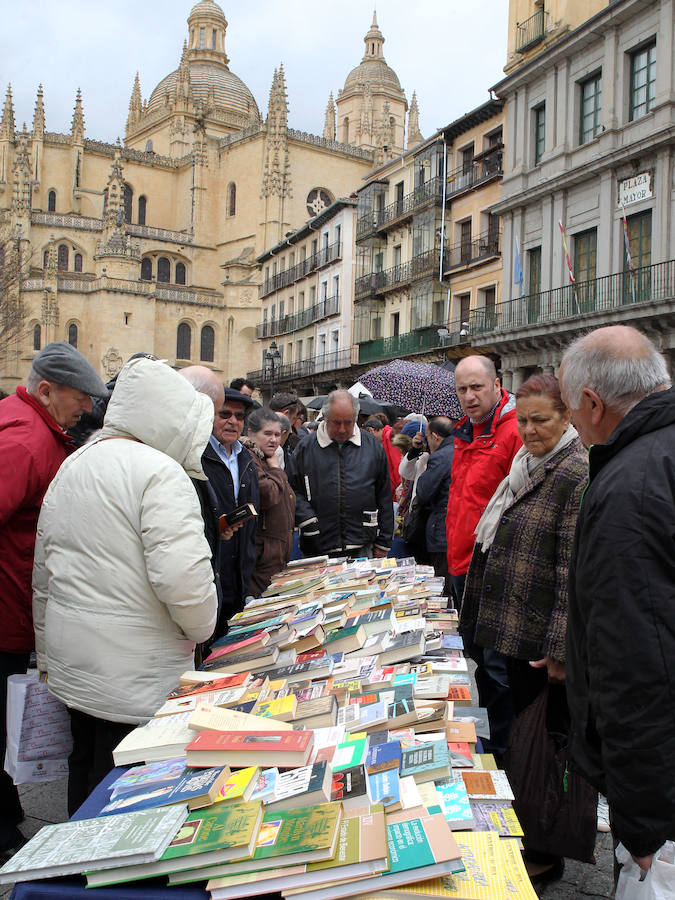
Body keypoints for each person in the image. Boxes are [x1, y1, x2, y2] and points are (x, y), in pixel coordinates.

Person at [32, 357, 218, 815]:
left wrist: (46, 648)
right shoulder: (160, 473)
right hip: (136, 670)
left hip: (74, 658)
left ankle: (69, 863)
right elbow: (184, 581)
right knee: (125, 784)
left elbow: (43, 572)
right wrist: (203, 627)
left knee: (85, 768)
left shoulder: (76, 462)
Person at [461, 373, 587, 881]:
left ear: (568, 417)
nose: (531, 430)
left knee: (542, 744)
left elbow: (569, 569)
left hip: (541, 643)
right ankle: (526, 830)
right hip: (515, 629)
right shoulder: (528, 464)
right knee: (520, 734)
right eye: (525, 420)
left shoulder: (574, 472)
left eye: (543, 420)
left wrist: (559, 649)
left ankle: (543, 851)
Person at [559, 325, 675, 877]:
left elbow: (637, 658)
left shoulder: (630, 486)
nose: (572, 426)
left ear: (592, 402)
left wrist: (644, 817)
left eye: (568, 410)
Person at [0, 341, 108, 860]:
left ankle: (8, 815)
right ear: (46, 390)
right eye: (79, 397)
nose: (86, 408)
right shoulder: (25, 442)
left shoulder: (36, 430)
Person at [446, 355, 522, 757]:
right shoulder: (466, 432)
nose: (470, 396)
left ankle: (509, 749)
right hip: (462, 563)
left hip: (493, 569)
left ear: (496, 385)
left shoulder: (514, 432)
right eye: (462, 389)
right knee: (476, 656)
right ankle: (494, 740)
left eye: (477, 387)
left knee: (497, 666)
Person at [287, 390, 394, 558]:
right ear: (324, 417)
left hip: (362, 545)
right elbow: (292, 490)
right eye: (336, 423)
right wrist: (308, 520)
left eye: (348, 422)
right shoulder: (305, 448)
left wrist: (384, 542)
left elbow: (384, 495)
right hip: (318, 547)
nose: (343, 429)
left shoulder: (372, 446)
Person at [202, 387, 260, 637]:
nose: (233, 421)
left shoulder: (246, 458)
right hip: (209, 573)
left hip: (239, 574)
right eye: (224, 414)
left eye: (239, 416)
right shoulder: (198, 455)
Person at [244, 409, 296, 596]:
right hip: (261, 560)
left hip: (275, 557)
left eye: (276, 434)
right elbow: (268, 495)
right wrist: (276, 470)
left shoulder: (265, 458)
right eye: (267, 434)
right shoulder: (250, 458)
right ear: (251, 433)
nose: (273, 440)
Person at [414, 417, 455, 591]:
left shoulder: (440, 457)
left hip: (442, 530)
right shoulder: (461, 449)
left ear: (435, 437)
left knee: (442, 585)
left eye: (428, 437)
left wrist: (424, 473)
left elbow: (423, 493)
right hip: (455, 528)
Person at [363, 416, 402, 501]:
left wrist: (399, 488)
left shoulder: (388, 437)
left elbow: (397, 464)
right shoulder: (385, 437)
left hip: (396, 492)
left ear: (371, 430)